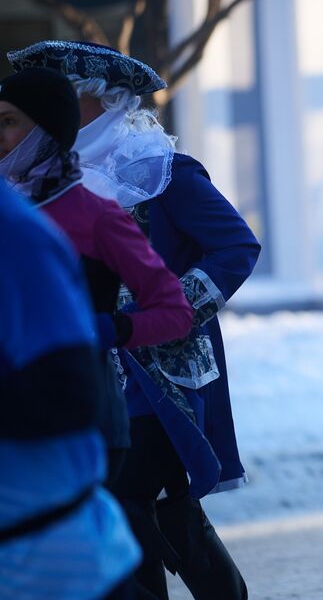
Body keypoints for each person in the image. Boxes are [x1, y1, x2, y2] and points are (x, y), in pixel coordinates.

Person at [9, 40, 261, 600]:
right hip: (90, 371)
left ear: (109, 101)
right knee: (151, 513)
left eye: (73, 100)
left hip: (159, 376)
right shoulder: (35, 179)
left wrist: (168, 309)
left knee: (133, 502)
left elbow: (235, 246)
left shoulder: (160, 171)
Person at [0, 67, 193, 485]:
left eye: (9, 121)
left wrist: (103, 329)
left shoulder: (95, 212)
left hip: (82, 413)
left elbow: (174, 311)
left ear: (45, 130)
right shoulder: (7, 210)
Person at [0, 182, 141, 600]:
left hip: (49, 565)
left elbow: (72, 392)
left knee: (162, 513)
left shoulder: (15, 233)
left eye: (11, 121)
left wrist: (114, 327)